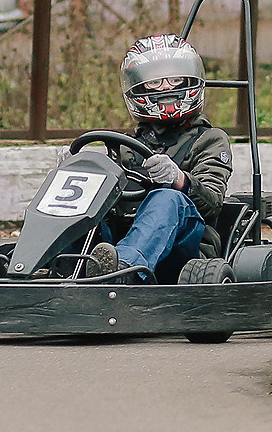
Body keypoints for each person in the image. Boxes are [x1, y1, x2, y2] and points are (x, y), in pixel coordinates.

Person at [85, 34, 232, 280]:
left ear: (191, 81)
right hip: (119, 241)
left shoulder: (209, 139)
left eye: (174, 79)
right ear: (138, 87)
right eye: (154, 83)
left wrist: (179, 178)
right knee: (85, 201)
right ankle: (26, 265)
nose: (166, 88)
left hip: (185, 247)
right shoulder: (126, 146)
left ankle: (122, 271)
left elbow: (213, 203)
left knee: (167, 198)